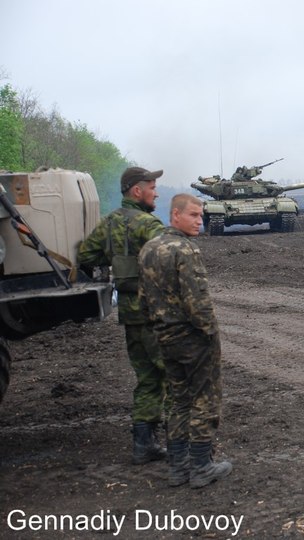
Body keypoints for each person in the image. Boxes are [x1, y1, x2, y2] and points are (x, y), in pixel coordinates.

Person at [138, 194, 232, 489]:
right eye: (193, 215)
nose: (199, 221)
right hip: (193, 338)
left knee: (177, 400)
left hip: (165, 337)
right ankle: (202, 466)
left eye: (201, 215)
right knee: (205, 399)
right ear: (175, 215)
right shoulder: (185, 250)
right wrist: (210, 332)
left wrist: (158, 326)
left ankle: (177, 468)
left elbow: (143, 299)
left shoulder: (149, 248)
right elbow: (197, 302)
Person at [78, 166, 167, 465]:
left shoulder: (110, 222)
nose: (156, 192)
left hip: (130, 312)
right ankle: (187, 448)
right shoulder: (148, 224)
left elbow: (87, 255)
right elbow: (170, 261)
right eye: (151, 186)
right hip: (155, 312)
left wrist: (116, 259)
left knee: (148, 378)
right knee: (176, 374)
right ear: (136, 190)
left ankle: (144, 444)